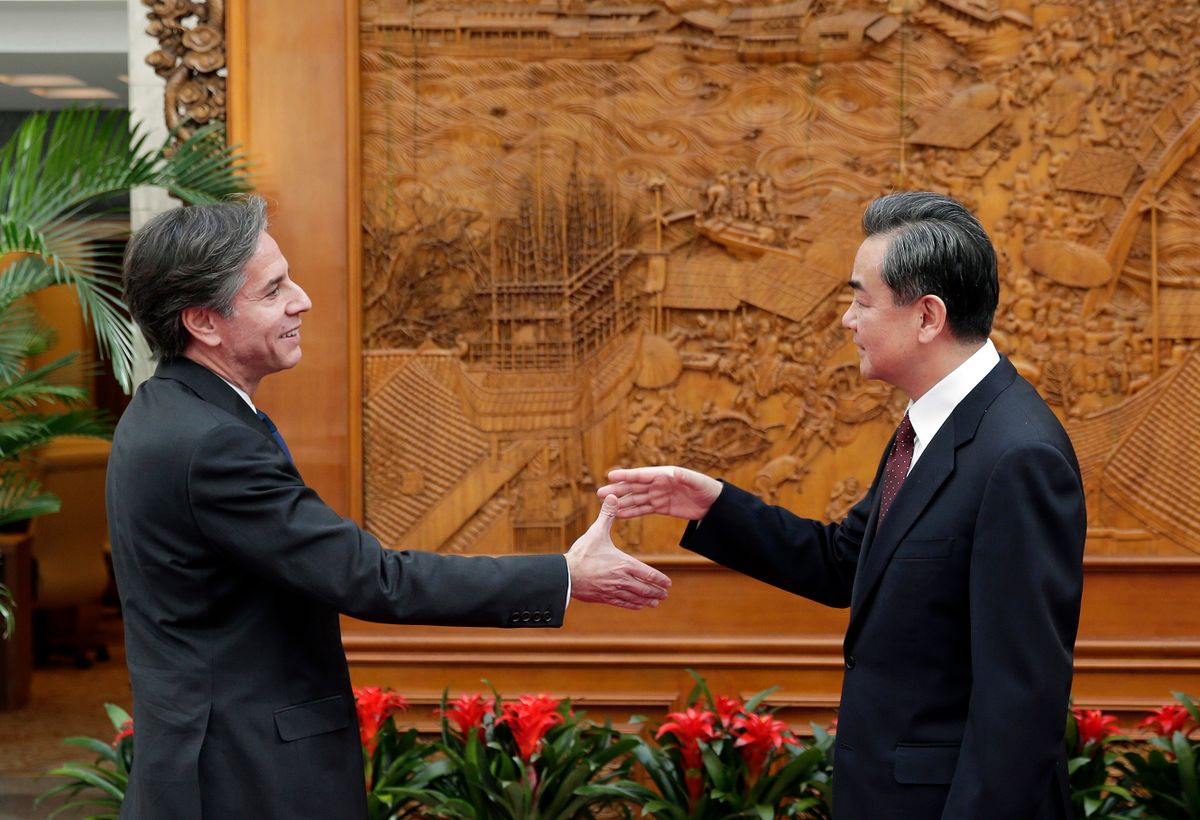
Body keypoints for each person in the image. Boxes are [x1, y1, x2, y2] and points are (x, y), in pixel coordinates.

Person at [108, 196, 671, 819]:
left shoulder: (166, 413)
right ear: (204, 323)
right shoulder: (211, 441)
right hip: (242, 781)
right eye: (273, 291)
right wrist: (564, 575)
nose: (303, 300)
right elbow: (371, 577)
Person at [601, 191, 1085, 820]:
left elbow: (1020, 706)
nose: (846, 320)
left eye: (861, 301)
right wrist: (711, 504)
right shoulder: (934, 422)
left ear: (928, 316)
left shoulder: (1018, 456)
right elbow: (845, 562)